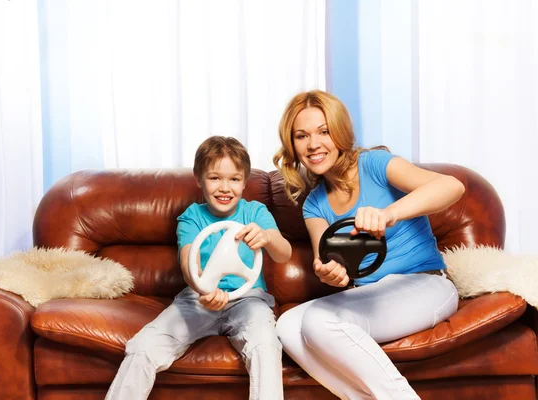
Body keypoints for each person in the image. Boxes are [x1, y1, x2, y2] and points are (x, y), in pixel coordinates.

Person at [272, 90, 464, 399]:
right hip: (370, 295)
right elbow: (330, 259)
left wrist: (389, 214)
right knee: (288, 324)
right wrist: (331, 273)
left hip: (427, 286)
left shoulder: (375, 164)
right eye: (301, 136)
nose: (313, 144)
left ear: (340, 132)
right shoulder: (314, 205)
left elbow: (451, 186)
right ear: (293, 145)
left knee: (318, 320)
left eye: (324, 131)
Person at [106, 136, 292, 400]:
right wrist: (203, 288)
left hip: (248, 300)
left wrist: (268, 237)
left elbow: (284, 254)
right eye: (215, 178)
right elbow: (187, 264)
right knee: (143, 346)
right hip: (197, 299)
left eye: (234, 179)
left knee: (265, 345)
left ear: (245, 181)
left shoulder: (255, 212)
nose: (225, 188)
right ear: (199, 179)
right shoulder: (191, 217)